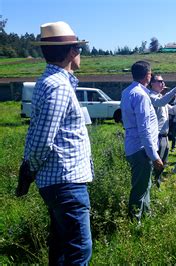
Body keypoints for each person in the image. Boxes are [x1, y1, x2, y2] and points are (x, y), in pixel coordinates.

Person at [23, 21, 93, 265]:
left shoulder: (49, 82)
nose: (80, 54)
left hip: (58, 182)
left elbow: (36, 132)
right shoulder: (59, 86)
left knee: (62, 249)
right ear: (72, 52)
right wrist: (29, 169)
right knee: (78, 251)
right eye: (79, 49)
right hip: (66, 181)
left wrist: (28, 168)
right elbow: (42, 139)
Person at [121, 61, 164, 222]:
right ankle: (134, 224)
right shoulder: (140, 95)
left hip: (136, 147)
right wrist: (154, 156)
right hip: (141, 150)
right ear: (148, 75)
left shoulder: (128, 91)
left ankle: (145, 219)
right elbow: (144, 129)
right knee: (140, 190)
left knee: (145, 186)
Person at [148, 74, 176, 186]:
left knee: (163, 162)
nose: (163, 84)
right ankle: (153, 185)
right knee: (157, 163)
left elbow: (174, 111)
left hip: (165, 137)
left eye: (163, 81)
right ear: (152, 83)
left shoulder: (160, 98)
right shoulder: (151, 96)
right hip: (158, 136)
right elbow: (160, 103)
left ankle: (157, 182)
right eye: (160, 81)